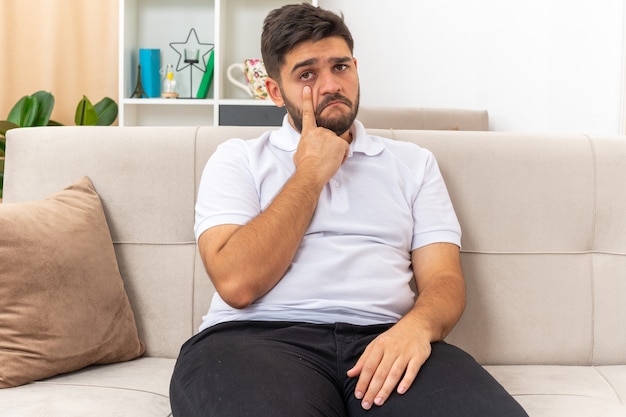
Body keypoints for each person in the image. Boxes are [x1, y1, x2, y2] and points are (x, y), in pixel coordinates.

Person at [170, 4, 529, 416]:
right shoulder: (237, 160)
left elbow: (445, 280)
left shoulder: (414, 164)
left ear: (356, 69)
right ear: (274, 92)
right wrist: (309, 175)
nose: (330, 85)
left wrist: (415, 328)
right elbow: (237, 283)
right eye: (307, 74)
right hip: (255, 339)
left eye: (340, 67)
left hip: (385, 339)